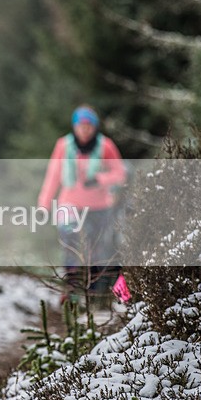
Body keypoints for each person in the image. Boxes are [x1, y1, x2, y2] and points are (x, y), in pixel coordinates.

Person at [37, 105, 127, 304]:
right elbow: (53, 176)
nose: (84, 130)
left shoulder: (106, 146)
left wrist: (100, 179)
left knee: (96, 249)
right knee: (70, 244)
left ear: (94, 127)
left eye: (88, 126)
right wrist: (44, 205)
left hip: (99, 207)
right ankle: (72, 290)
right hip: (68, 205)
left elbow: (120, 174)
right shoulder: (64, 145)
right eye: (81, 126)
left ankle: (92, 294)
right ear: (75, 127)